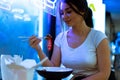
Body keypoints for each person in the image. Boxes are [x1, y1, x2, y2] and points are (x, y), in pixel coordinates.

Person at [29, 0, 111, 80]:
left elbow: (104, 74)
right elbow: (53, 68)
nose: (64, 17)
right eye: (62, 13)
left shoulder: (98, 37)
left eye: (68, 12)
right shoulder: (60, 38)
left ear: (82, 11)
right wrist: (38, 49)